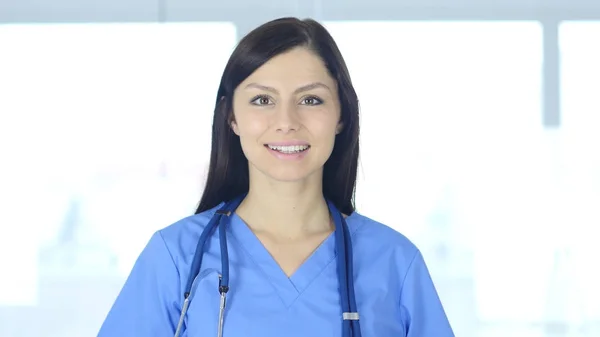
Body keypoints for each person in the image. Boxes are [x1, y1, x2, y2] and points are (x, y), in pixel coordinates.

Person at [97, 17, 455, 337]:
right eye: (262, 100)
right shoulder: (176, 257)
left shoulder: (394, 261)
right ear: (231, 118)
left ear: (341, 116)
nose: (286, 121)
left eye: (311, 100)